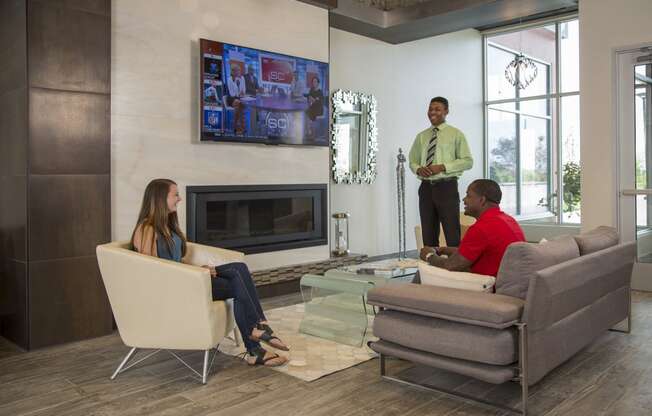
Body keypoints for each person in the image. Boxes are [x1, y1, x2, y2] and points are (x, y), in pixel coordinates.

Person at [130, 179, 289, 367]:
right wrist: (193, 273)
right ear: (159, 198)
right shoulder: (146, 228)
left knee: (239, 272)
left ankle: (256, 340)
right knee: (239, 280)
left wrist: (198, 269)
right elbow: (153, 268)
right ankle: (256, 336)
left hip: (187, 279)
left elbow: (173, 262)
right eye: (175, 195)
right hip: (177, 287)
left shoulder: (166, 225)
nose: (180, 199)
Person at [419, 179, 525, 277]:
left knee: (423, 273)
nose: (464, 200)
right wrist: (444, 250)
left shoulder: (481, 228)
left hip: (487, 286)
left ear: (482, 200)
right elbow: (475, 252)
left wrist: (429, 256)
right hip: (507, 281)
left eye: (468, 196)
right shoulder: (508, 220)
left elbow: (450, 265)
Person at [409, 96, 473, 249]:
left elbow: (468, 161)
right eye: (430, 109)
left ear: (446, 111)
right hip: (425, 188)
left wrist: (443, 167)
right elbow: (412, 161)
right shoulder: (421, 136)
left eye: (437, 109)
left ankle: (455, 269)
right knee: (428, 234)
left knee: (452, 233)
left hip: (447, 187)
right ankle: (430, 270)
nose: (433, 112)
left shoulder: (456, 134)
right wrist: (418, 169)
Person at [226, 64, 246, 134]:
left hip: (239, 98)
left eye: (239, 70)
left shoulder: (242, 78)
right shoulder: (229, 79)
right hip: (231, 99)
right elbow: (232, 93)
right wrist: (239, 94)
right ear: (233, 72)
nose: (239, 72)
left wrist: (242, 93)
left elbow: (244, 90)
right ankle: (237, 128)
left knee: (242, 105)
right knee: (238, 104)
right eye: (238, 70)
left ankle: (241, 127)